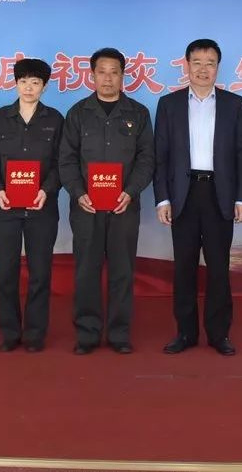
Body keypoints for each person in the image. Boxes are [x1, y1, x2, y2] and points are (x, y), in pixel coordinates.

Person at [154, 39, 242, 356]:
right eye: (197, 62)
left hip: (219, 194)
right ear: (187, 65)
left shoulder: (234, 104)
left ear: (218, 67)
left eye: (210, 63)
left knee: (219, 268)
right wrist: (162, 199)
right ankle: (185, 332)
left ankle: (219, 334)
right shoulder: (169, 105)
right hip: (182, 194)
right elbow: (160, 157)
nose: (203, 69)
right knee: (183, 267)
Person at [59, 48, 154, 355]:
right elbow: (66, 160)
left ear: (123, 76)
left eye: (114, 72)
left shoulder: (138, 113)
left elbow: (147, 159)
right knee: (86, 271)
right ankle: (87, 333)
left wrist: (131, 191)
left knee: (122, 271)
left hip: (124, 206)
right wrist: (78, 192)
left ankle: (119, 333)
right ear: (92, 75)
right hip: (85, 208)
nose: (108, 78)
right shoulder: (77, 113)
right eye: (102, 72)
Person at [0, 58, 63, 353]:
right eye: (23, 81)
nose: (29, 88)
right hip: (5, 209)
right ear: (15, 84)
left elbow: (62, 163)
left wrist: (46, 190)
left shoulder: (55, 120)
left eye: (35, 82)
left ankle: (35, 334)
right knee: (6, 272)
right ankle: (9, 332)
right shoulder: (0, 118)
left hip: (42, 208)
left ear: (45, 86)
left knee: (40, 273)